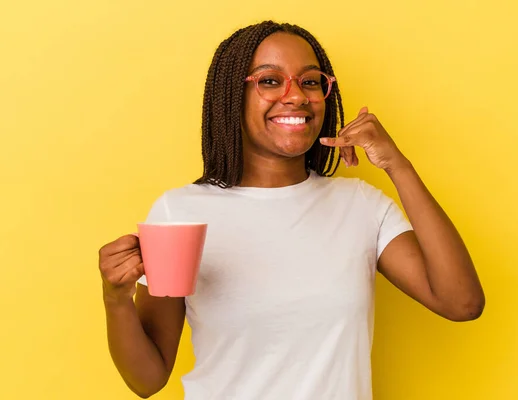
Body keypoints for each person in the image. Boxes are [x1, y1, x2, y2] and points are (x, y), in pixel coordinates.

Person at [98, 20, 485, 400]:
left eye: (311, 81)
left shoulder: (361, 206)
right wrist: (116, 299)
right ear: (232, 96)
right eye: (269, 80)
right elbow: (147, 380)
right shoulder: (180, 211)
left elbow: (461, 302)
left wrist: (396, 164)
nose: (296, 96)